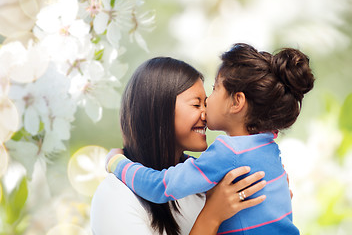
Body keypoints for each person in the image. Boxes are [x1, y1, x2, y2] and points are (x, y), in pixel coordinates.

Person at [107, 43, 315, 234]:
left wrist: (117, 163)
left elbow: (161, 186)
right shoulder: (267, 145)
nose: (206, 108)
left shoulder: (228, 151)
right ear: (158, 109)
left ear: (237, 102)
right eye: (196, 104)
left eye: (214, 89)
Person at [90, 56, 267, 235]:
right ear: (159, 110)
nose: (206, 114)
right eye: (196, 104)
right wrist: (212, 216)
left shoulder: (203, 186)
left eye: (205, 104)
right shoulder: (114, 195)